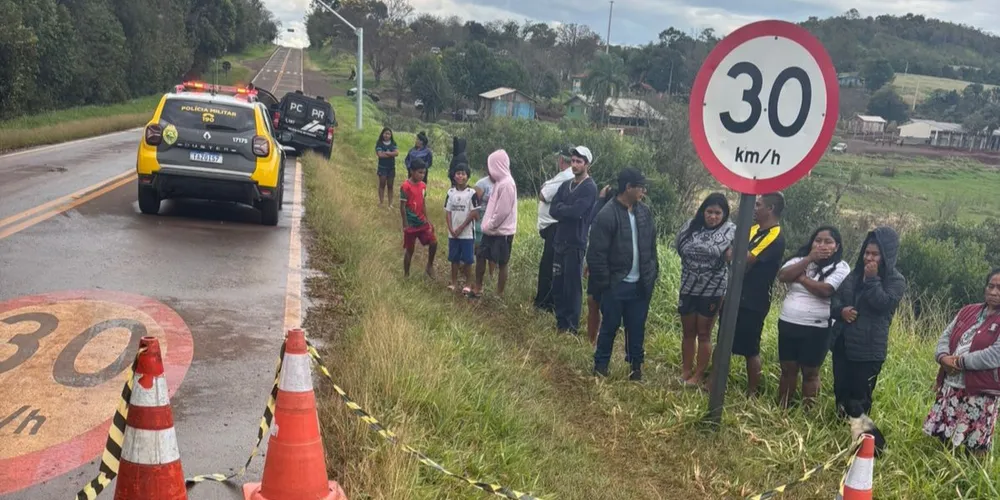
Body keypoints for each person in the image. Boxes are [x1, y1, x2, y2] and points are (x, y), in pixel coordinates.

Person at [588, 168, 658, 381]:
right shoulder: (607, 215)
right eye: (640, 187)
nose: (643, 192)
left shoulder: (644, 212)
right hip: (616, 284)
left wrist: (652, 273)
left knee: (636, 327)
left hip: (640, 284)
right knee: (609, 326)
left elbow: (652, 247)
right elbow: (596, 254)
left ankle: (636, 369)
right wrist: (606, 284)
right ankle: (601, 366)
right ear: (628, 187)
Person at [830, 226, 907, 417]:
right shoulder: (854, 275)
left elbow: (883, 304)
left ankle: (859, 433)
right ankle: (840, 428)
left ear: (886, 256)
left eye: (875, 254)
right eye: (867, 253)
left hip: (868, 350)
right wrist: (841, 311)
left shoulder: (896, 280)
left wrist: (872, 280)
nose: (869, 258)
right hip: (843, 344)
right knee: (841, 392)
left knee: (859, 398)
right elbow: (835, 300)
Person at [923, 268, 1000, 456]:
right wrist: (943, 357)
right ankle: (942, 468)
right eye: (990, 286)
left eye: (999, 288)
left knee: (975, 444)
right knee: (945, 436)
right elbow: (945, 336)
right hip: (951, 385)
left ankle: (970, 473)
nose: (994, 292)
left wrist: (959, 362)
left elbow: (995, 354)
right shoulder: (968, 311)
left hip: (980, 393)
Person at [775, 226, 850, 408]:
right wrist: (809, 259)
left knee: (810, 373)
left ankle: (807, 413)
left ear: (836, 247)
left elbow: (826, 290)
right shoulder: (799, 260)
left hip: (817, 328)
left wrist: (802, 279)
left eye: (828, 242)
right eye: (818, 240)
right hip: (789, 322)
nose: (821, 245)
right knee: (787, 369)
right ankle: (782, 409)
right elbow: (783, 275)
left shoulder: (841, 267)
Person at [724, 193, 787, 397]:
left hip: (754, 300)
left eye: (758, 204)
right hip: (734, 292)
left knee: (751, 348)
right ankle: (714, 381)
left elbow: (746, 258)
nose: (754, 208)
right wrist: (734, 255)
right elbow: (731, 253)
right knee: (723, 338)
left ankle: (752, 393)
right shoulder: (752, 229)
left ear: (770, 208)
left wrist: (735, 255)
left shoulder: (775, 236)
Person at [675, 193, 736, 387]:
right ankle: (686, 370)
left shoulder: (730, 230)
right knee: (688, 332)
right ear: (703, 211)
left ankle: (698, 375)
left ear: (724, 214)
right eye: (709, 212)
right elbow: (679, 246)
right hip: (688, 285)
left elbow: (730, 256)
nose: (713, 217)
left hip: (712, 289)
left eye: (718, 213)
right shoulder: (690, 226)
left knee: (703, 333)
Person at [550, 146, 599, 335]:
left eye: (579, 161)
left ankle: (571, 326)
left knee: (572, 285)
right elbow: (553, 209)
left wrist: (564, 209)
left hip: (575, 242)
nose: (575, 164)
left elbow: (577, 212)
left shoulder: (589, 187)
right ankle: (560, 321)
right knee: (558, 283)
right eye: (573, 161)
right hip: (559, 240)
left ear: (587, 164)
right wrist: (566, 210)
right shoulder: (565, 185)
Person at [470, 149, 517, 298]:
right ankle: (478, 287)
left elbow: (502, 212)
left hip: (502, 231)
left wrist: (489, 225)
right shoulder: (499, 182)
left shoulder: (507, 184)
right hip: (490, 230)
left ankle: (499, 294)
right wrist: (487, 226)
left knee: (502, 262)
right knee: (481, 255)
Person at [534, 146, 575, 313]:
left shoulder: (565, 176)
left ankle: (545, 302)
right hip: (557, 226)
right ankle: (550, 301)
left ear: (561, 160)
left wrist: (545, 185)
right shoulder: (569, 176)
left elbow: (543, 194)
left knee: (549, 265)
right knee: (556, 265)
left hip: (555, 227)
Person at [585, 184, 615, 346]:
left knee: (602, 306)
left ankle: (599, 342)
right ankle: (592, 341)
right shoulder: (602, 214)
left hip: (612, 268)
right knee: (593, 302)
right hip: (598, 264)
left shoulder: (622, 215)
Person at [399, 158, 437, 278]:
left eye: (424, 173)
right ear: (412, 171)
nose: (422, 175)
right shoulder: (405, 186)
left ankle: (429, 265)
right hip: (411, 223)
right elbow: (402, 206)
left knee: (434, 242)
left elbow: (423, 203)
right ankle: (406, 275)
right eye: (419, 172)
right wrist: (405, 224)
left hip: (421, 221)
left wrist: (427, 220)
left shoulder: (423, 186)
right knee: (410, 250)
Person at [444, 163, 478, 294]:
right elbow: (448, 212)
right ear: (454, 176)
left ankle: (468, 284)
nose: (460, 176)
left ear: (467, 176)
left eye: (463, 174)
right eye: (458, 173)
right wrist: (451, 228)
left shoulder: (472, 193)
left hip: (467, 234)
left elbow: (474, 213)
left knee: (468, 260)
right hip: (453, 233)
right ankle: (453, 282)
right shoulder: (450, 192)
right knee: (454, 259)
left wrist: (461, 228)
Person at [375, 127, 399, 208]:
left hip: (391, 168)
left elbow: (396, 153)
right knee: (382, 184)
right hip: (382, 167)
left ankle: (390, 204)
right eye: (385, 133)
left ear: (391, 135)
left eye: (388, 134)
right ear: (382, 134)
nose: (386, 135)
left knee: (390, 185)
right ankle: (381, 202)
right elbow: (380, 155)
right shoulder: (379, 143)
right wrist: (391, 153)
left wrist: (386, 153)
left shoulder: (393, 143)